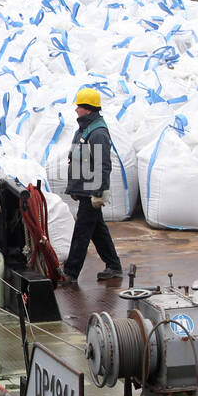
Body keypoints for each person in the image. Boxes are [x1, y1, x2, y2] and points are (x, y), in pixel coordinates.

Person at [62, 86, 123, 283]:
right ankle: (113, 265)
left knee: (82, 232)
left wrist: (98, 192)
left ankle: (70, 273)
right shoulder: (86, 129)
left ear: (87, 109)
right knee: (98, 230)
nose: (76, 110)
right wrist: (75, 189)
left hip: (92, 191)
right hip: (85, 189)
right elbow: (80, 160)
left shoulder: (97, 133)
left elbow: (103, 164)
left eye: (79, 106)